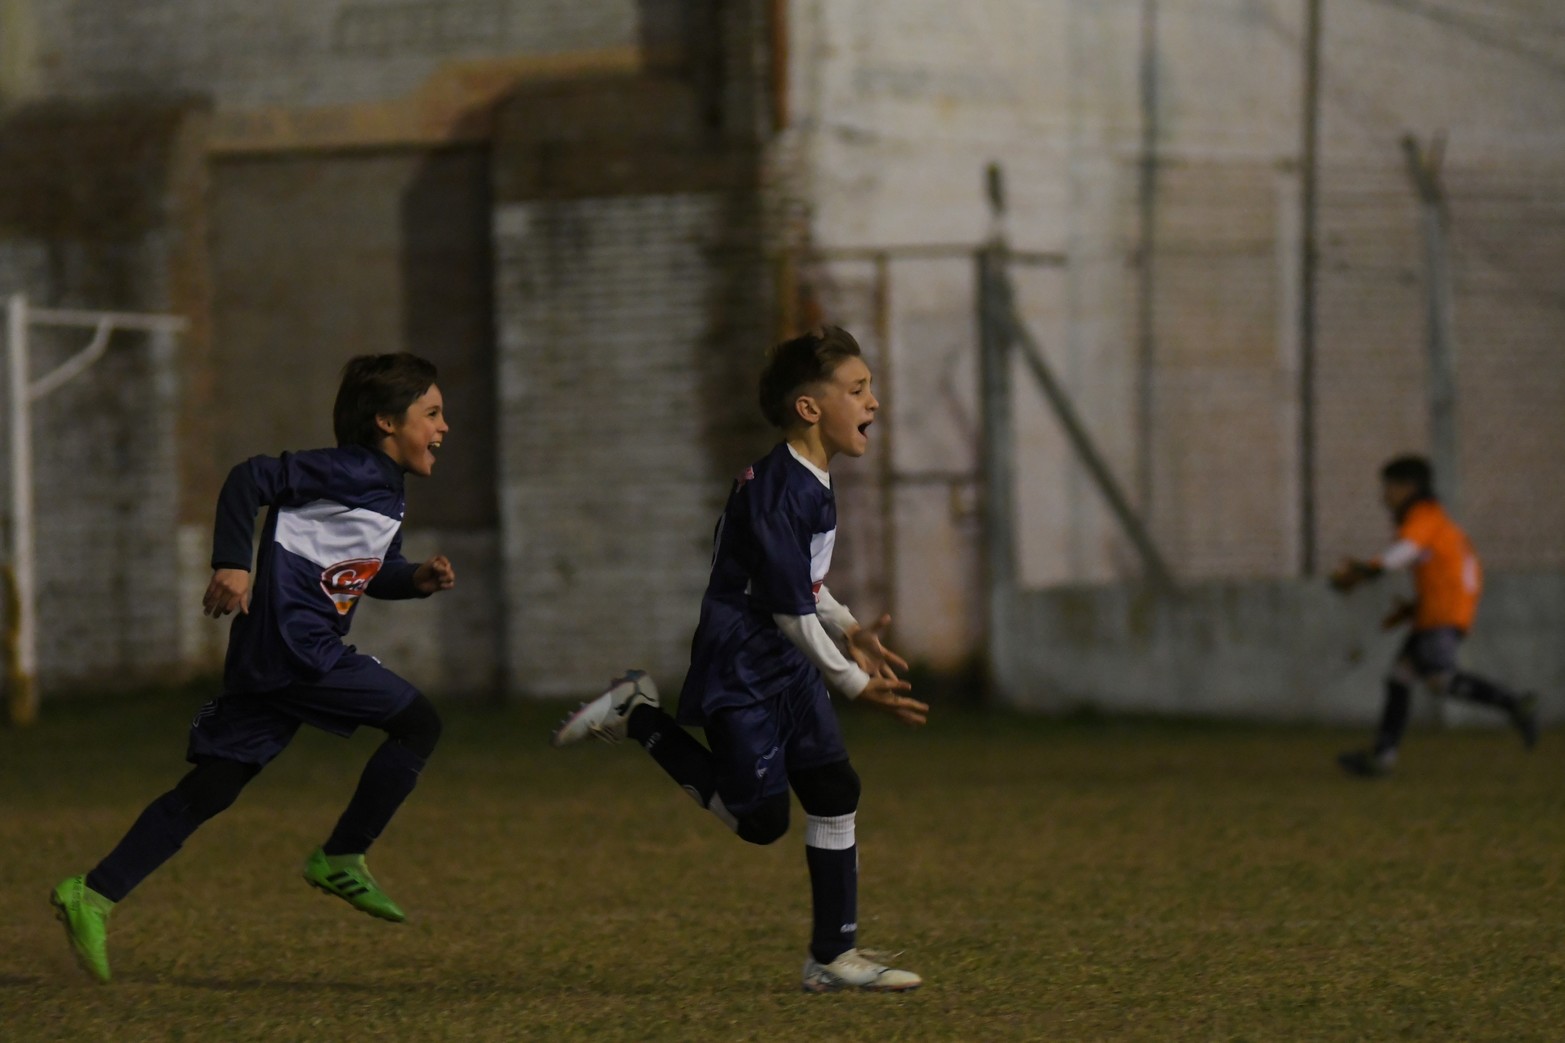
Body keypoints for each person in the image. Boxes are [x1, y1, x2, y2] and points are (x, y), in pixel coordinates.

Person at [50, 353, 456, 983]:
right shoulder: (350, 467)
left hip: (272, 656)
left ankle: (92, 893)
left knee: (211, 789)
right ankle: (342, 855)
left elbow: (370, 576)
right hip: (297, 646)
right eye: (432, 413)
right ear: (385, 422)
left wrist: (417, 580)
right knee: (419, 724)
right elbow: (250, 478)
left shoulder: (386, 494)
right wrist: (232, 563)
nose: (444, 427)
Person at [552, 326, 929, 993]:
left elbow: (801, 582)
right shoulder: (778, 490)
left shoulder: (806, 478)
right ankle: (641, 716)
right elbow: (786, 607)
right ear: (809, 407)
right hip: (744, 667)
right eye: (858, 388)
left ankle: (832, 958)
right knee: (760, 821)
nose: (873, 401)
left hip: (783, 659)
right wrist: (850, 680)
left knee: (835, 789)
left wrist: (847, 628)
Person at [1329, 454, 1538, 777]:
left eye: (1388, 487)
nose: (1383, 496)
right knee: (1400, 677)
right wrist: (1414, 607)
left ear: (1407, 487)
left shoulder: (1424, 517)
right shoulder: (1434, 520)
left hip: (1443, 612)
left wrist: (1363, 570)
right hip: (1440, 609)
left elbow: (1403, 553)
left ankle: (1515, 703)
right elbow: (1445, 568)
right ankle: (1381, 757)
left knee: (1440, 679)